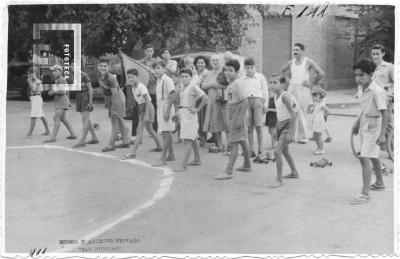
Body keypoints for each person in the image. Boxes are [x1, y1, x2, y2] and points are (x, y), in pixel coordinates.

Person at [351, 59, 387, 205]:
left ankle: (365, 194)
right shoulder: (362, 88)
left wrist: (383, 134)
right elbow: (364, 108)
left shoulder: (377, 91)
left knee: (364, 157)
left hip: (375, 125)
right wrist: (357, 123)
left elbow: (384, 114)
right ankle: (379, 183)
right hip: (365, 123)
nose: (358, 78)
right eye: (356, 75)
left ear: (371, 74)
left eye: (361, 75)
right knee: (373, 155)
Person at [280, 43, 325, 144]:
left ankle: (302, 137)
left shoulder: (307, 62)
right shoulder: (291, 62)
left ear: (302, 51)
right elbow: (282, 70)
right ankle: (289, 135)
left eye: (297, 50)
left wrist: (311, 83)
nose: (295, 52)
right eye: (294, 50)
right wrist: (287, 80)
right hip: (292, 89)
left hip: (303, 89)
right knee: (290, 112)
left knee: (302, 113)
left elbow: (321, 73)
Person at [215, 59, 251, 180]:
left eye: (231, 70)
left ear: (237, 71)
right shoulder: (231, 83)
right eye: (226, 70)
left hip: (237, 114)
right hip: (233, 112)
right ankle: (247, 164)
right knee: (242, 140)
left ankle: (229, 171)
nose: (227, 72)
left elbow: (245, 101)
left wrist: (239, 118)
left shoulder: (237, 83)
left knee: (233, 143)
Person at [120, 69, 162, 159]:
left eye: (132, 77)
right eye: (129, 77)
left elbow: (148, 102)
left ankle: (132, 153)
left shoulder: (140, 86)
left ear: (137, 77)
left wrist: (146, 114)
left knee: (139, 131)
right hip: (142, 108)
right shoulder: (133, 86)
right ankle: (159, 146)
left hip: (147, 108)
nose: (130, 79)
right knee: (150, 129)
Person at [173, 69, 208, 172]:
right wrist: (177, 113)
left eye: (186, 76)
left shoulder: (193, 86)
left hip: (190, 115)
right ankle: (197, 159)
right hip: (183, 114)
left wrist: (197, 109)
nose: (184, 78)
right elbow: (182, 103)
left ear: (191, 77)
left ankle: (183, 165)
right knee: (192, 138)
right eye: (182, 76)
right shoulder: (182, 88)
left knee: (187, 140)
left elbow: (205, 98)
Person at [268, 74, 299, 188]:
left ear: (282, 84)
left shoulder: (284, 96)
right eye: (270, 82)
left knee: (277, 151)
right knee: (285, 151)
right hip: (281, 125)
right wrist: (277, 129)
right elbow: (280, 114)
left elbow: (294, 115)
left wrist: (291, 132)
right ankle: (294, 172)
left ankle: (279, 180)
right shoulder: (275, 96)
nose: (272, 85)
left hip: (288, 125)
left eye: (275, 82)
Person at [98, 58, 130, 152]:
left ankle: (111, 145)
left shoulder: (111, 77)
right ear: (98, 66)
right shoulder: (100, 76)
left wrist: (113, 107)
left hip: (117, 99)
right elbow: (105, 91)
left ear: (109, 67)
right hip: (112, 99)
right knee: (119, 119)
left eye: (105, 66)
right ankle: (126, 141)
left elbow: (115, 94)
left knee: (115, 121)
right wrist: (106, 102)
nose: (103, 68)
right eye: (101, 66)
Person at [241, 57, 269, 158]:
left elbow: (265, 91)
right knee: (249, 127)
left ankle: (260, 149)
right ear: (244, 68)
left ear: (255, 68)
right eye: (247, 68)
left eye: (251, 67)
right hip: (247, 102)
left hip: (258, 101)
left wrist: (265, 105)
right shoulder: (242, 78)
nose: (250, 70)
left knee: (259, 126)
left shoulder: (260, 77)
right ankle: (250, 149)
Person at [152, 60, 176, 166]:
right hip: (160, 107)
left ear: (164, 68)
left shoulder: (167, 79)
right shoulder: (158, 80)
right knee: (166, 132)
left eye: (158, 68)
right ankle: (171, 154)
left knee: (165, 133)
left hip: (166, 108)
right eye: (155, 68)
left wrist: (166, 112)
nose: (156, 70)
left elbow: (172, 95)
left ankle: (162, 158)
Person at [202, 55, 229, 152]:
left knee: (226, 121)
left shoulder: (225, 71)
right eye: (213, 60)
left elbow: (230, 84)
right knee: (215, 122)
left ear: (220, 61)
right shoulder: (209, 73)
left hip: (224, 99)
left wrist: (221, 86)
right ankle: (219, 144)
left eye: (216, 60)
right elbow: (203, 85)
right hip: (212, 100)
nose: (215, 62)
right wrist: (212, 84)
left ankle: (230, 145)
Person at [44, 65, 77, 143]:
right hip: (62, 101)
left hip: (61, 102)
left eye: (56, 71)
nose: (53, 72)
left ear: (60, 71)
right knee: (63, 119)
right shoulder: (59, 79)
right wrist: (69, 101)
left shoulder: (60, 80)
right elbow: (67, 91)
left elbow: (63, 92)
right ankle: (73, 134)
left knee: (56, 118)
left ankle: (53, 137)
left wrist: (53, 92)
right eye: (53, 71)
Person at [72, 71, 99, 148]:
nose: (72, 66)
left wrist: (90, 101)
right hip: (78, 96)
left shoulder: (84, 75)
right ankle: (94, 138)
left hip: (84, 96)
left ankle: (82, 141)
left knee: (85, 120)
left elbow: (90, 88)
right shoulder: (74, 74)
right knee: (87, 119)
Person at [371, 44, 394, 126]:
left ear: (383, 54)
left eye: (377, 54)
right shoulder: (370, 67)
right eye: (373, 54)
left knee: (388, 123)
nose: (375, 56)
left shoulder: (389, 67)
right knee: (376, 123)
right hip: (373, 100)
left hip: (386, 99)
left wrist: (391, 92)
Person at [25, 68, 50, 137]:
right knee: (41, 116)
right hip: (35, 99)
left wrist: (29, 82)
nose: (28, 75)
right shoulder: (35, 81)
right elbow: (34, 91)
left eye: (29, 73)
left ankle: (29, 134)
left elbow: (34, 90)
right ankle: (47, 131)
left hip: (37, 99)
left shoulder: (37, 81)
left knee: (33, 116)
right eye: (28, 74)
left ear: (33, 73)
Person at [139, 44, 158, 131]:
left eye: (151, 51)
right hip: (143, 88)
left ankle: (154, 128)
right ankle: (141, 129)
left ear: (153, 52)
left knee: (153, 107)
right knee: (142, 108)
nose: (149, 53)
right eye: (147, 51)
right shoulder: (140, 62)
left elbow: (163, 71)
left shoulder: (157, 61)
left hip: (154, 88)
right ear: (144, 52)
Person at [193, 55, 209, 146]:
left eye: (202, 63)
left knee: (204, 120)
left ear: (205, 64)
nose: (200, 64)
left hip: (205, 98)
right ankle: (201, 137)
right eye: (198, 63)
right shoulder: (194, 74)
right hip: (196, 99)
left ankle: (204, 139)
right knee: (198, 119)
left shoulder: (207, 73)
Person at [310, 87, 330, 155]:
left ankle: (321, 149)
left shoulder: (322, 104)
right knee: (316, 136)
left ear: (321, 97)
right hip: (315, 121)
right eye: (314, 97)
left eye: (316, 96)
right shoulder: (317, 104)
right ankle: (318, 148)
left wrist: (323, 116)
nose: (314, 98)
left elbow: (328, 111)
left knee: (319, 137)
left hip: (319, 122)